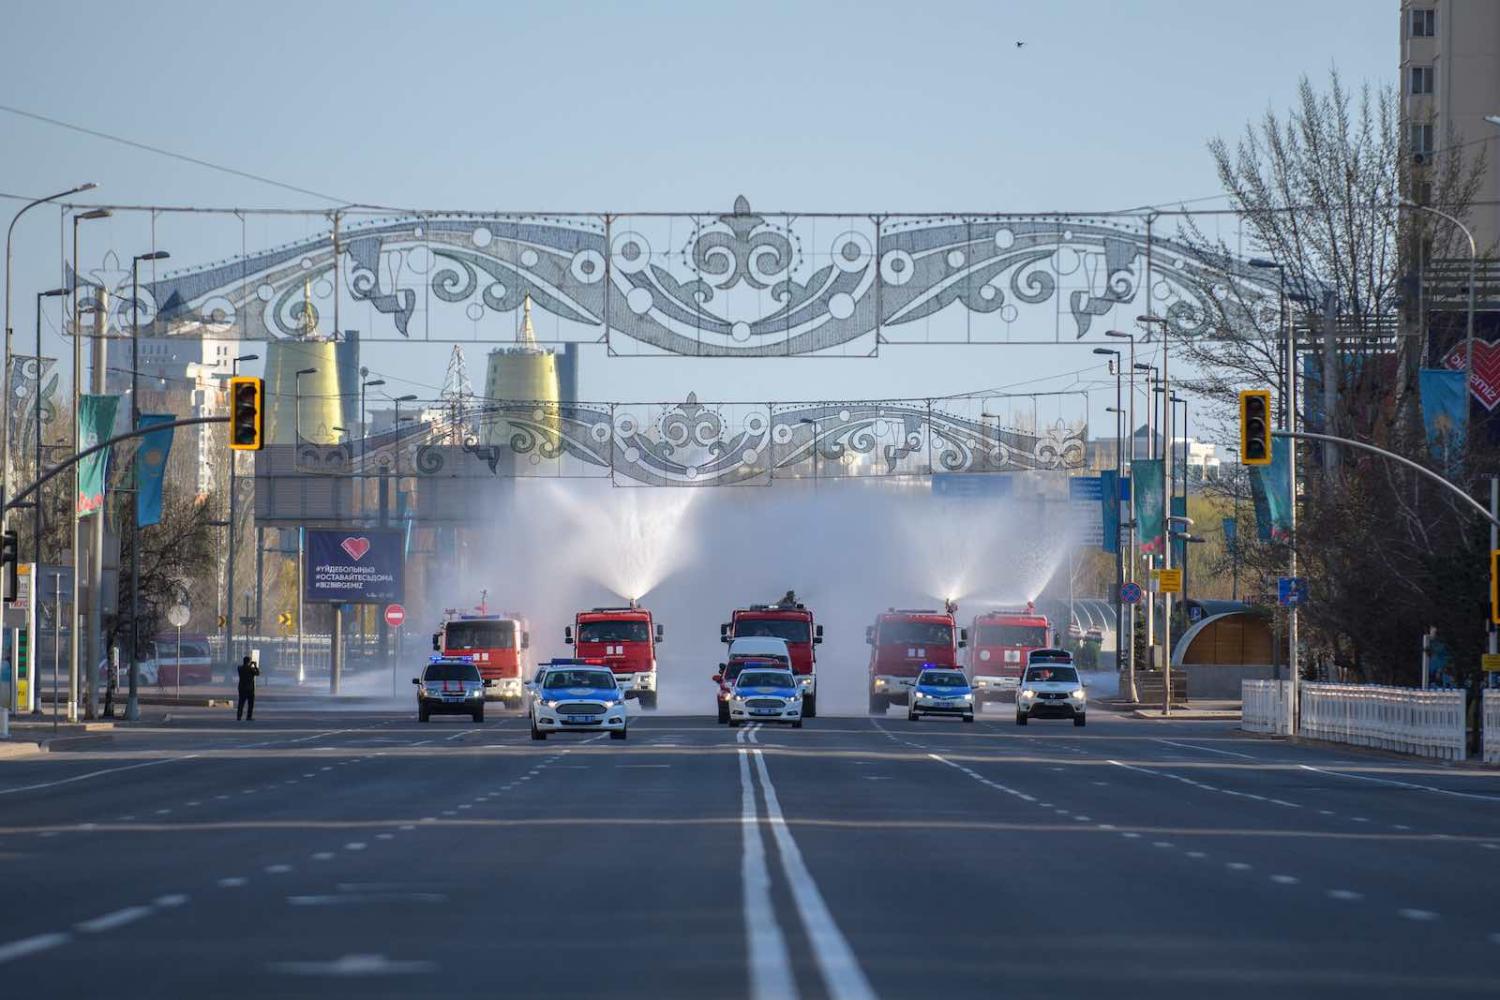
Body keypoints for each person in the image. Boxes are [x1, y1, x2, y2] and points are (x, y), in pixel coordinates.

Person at [236, 655, 259, 721]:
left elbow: (244, 668)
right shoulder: (251, 669)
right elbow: (257, 673)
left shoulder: (240, 668)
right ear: (248, 662)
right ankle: (249, 717)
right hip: (250, 689)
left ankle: (239, 716)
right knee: (250, 704)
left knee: (241, 703)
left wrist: (250, 665)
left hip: (241, 688)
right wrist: (255, 666)